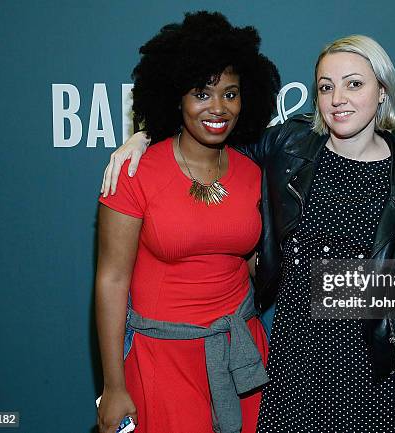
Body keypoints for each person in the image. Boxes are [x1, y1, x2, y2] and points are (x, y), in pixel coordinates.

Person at [102, 35, 395, 433]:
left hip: (377, 370)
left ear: (383, 91)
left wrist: (350, 290)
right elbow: (212, 130)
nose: (338, 98)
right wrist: (145, 136)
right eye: (326, 87)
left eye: (354, 84)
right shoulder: (288, 146)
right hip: (296, 367)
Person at [95, 11, 280, 433]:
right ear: (175, 98)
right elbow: (111, 281)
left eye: (231, 94)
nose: (219, 108)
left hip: (241, 356)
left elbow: (256, 263)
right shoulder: (134, 173)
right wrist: (114, 385)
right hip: (161, 359)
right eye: (202, 93)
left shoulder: (254, 174)